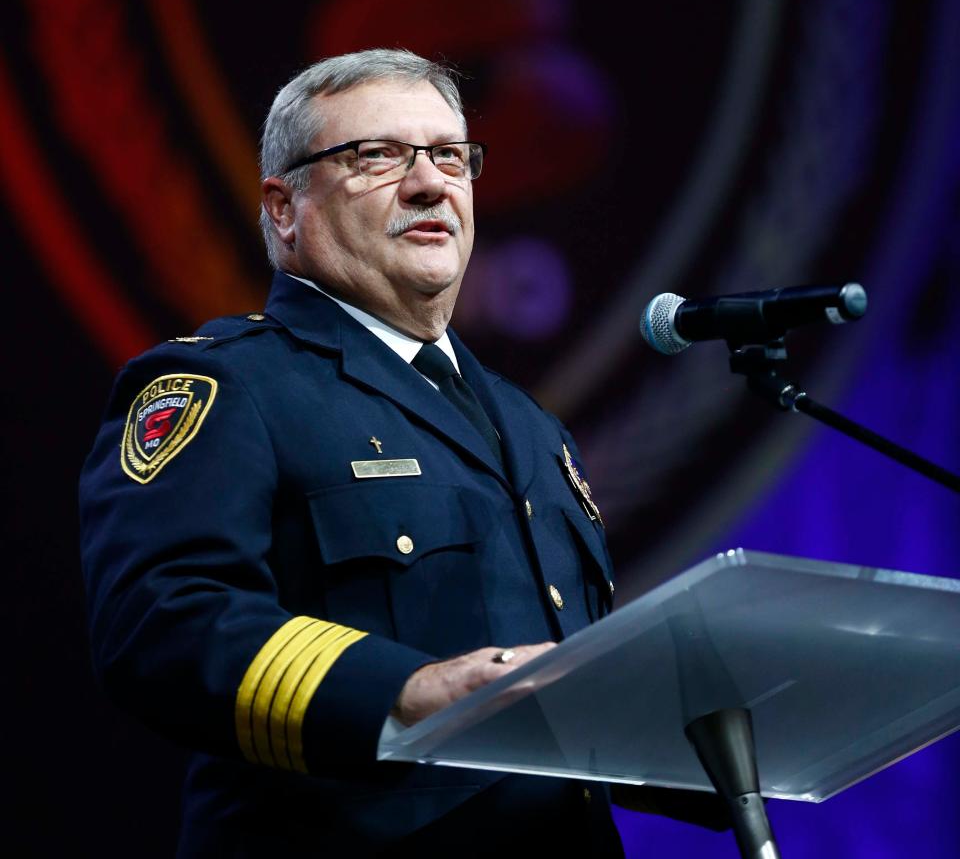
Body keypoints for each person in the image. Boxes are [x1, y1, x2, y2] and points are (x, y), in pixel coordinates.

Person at [80, 48, 726, 856]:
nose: (431, 184)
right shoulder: (227, 385)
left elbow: (568, 708)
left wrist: (732, 732)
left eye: (451, 155)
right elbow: (162, 619)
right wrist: (410, 690)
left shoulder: (532, 428)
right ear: (285, 208)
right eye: (376, 156)